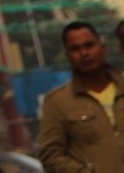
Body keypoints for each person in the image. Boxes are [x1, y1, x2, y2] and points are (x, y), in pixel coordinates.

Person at [37, 21, 124, 172]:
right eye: (75, 49)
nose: (84, 54)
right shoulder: (57, 102)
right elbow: (50, 155)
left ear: (102, 48)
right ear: (68, 55)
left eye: (89, 45)